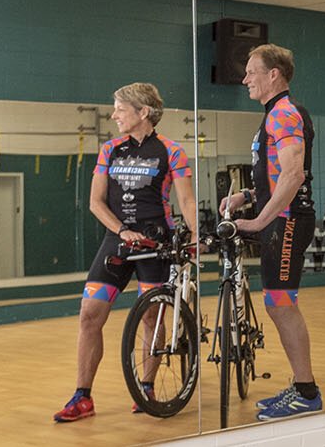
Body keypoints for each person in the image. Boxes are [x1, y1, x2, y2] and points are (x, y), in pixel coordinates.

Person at [55, 82, 196, 422]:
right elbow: (95, 202)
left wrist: (195, 237)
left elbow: (187, 200)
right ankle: (82, 396)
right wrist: (121, 230)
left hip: (156, 242)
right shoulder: (110, 150)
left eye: (120, 108)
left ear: (143, 112)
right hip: (118, 240)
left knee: (150, 316)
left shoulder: (171, 151)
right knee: (89, 314)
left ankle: (145, 386)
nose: (114, 114)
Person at [217, 43, 321, 421]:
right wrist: (246, 196)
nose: (245, 79)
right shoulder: (274, 116)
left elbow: (293, 176)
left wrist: (260, 221)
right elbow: (275, 178)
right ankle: (302, 385)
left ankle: (307, 392)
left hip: (287, 220)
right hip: (280, 218)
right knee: (277, 304)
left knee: (280, 304)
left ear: (273, 74)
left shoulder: (284, 115)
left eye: (251, 72)